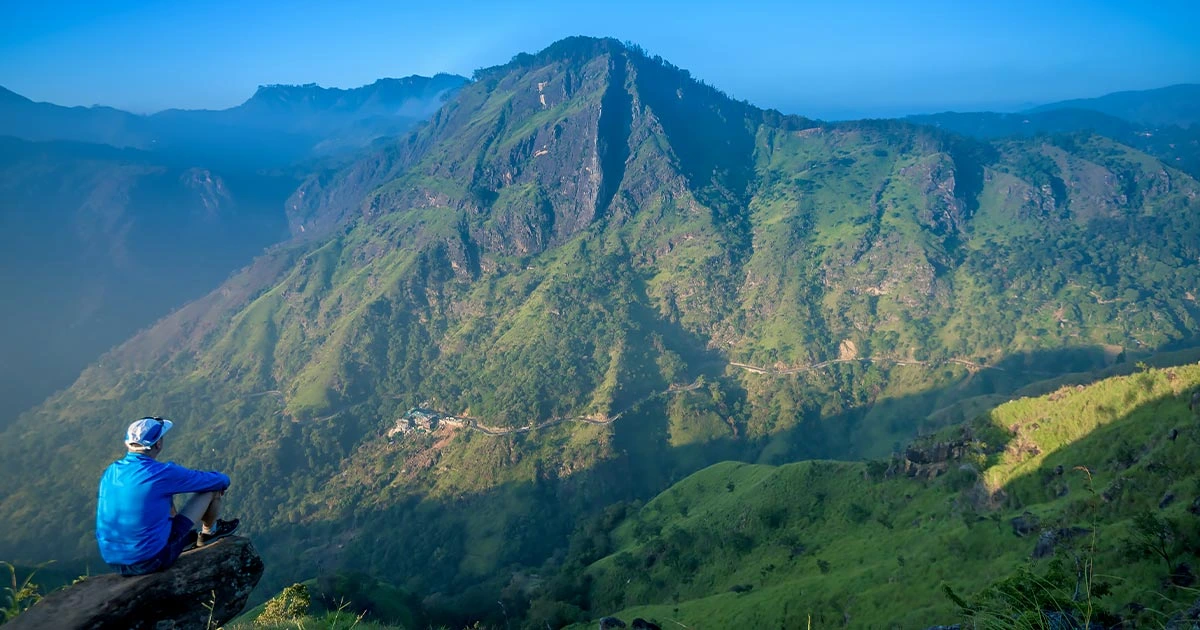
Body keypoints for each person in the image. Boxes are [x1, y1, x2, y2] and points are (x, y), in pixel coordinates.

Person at [96, 417, 239, 576]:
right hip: (150, 560)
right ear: (158, 444)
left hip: (113, 560)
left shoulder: (111, 471)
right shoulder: (161, 473)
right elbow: (219, 480)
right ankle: (208, 534)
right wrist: (222, 483)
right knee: (211, 489)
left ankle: (181, 538)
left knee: (159, 498)